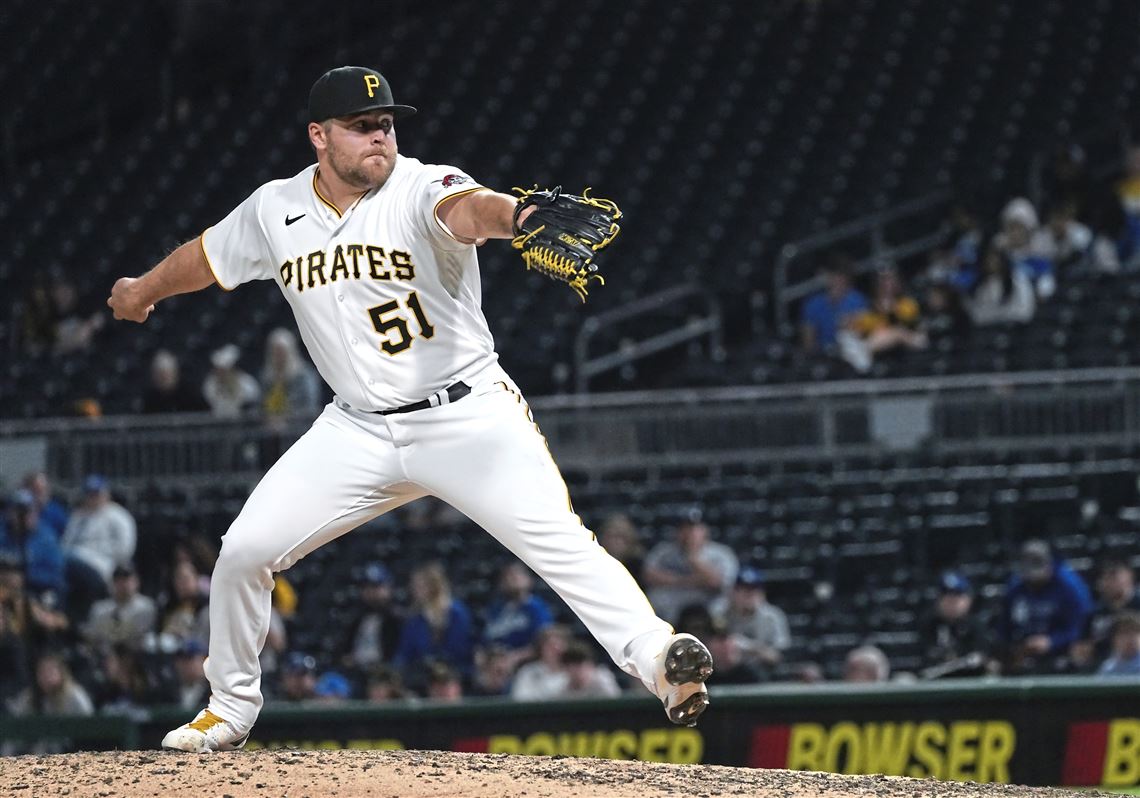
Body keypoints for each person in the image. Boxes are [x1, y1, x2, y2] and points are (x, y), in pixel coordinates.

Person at [108, 66, 712, 752]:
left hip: (467, 415)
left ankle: (662, 662)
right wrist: (141, 290)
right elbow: (209, 257)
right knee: (244, 550)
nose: (380, 137)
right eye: (363, 126)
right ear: (319, 136)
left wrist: (517, 218)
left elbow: (470, 209)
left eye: (387, 124)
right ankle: (229, 708)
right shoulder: (274, 210)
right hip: (356, 427)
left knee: (559, 541)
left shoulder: (420, 184)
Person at [998, 540, 1093, 675]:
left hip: (1062, 652)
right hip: (1024, 653)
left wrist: (1052, 642)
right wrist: (1015, 649)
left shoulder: (1069, 586)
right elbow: (1004, 628)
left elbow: (1079, 628)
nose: (1034, 579)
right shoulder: (1016, 587)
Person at [643, 508, 739, 627]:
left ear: (705, 531)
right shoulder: (663, 551)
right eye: (684, 528)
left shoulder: (722, 553)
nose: (689, 533)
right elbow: (648, 576)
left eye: (695, 528)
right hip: (670, 611)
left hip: (708, 609)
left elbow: (716, 583)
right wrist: (691, 580)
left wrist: (692, 557)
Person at [392, 561, 475, 686]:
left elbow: (460, 648)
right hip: (420, 673)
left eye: (419, 585)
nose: (414, 589)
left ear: (433, 586)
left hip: (452, 671)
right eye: (414, 585)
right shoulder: (415, 618)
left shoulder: (456, 613)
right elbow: (404, 653)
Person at [60, 475, 137, 591]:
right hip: (74, 563)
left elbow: (126, 549)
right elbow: (65, 544)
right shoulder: (78, 516)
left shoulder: (119, 516)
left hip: (104, 566)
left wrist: (93, 551)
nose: (93, 497)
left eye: (96, 493)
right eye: (89, 493)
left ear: (106, 493)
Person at [713, 567, 790, 671]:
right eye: (743, 590)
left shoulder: (772, 617)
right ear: (733, 592)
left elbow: (778, 657)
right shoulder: (721, 614)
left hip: (763, 672)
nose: (749, 595)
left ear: (762, 593)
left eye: (754, 590)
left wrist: (749, 647)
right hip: (728, 671)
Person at [917, 572, 992, 678]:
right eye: (947, 596)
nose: (951, 602)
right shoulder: (929, 625)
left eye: (957, 596)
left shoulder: (976, 626)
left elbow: (981, 659)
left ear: (968, 600)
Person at [482, 562, 553, 671]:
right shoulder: (496, 609)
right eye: (507, 576)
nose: (511, 579)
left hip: (526, 665)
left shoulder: (536, 608)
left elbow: (543, 645)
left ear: (528, 580)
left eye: (516, 575)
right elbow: (486, 641)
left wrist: (515, 657)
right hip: (496, 663)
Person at [1072, 559, 1140, 671]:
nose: (1109, 582)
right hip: (1102, 666)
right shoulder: (1095, 612)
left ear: (1129, 577)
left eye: (1115, 576)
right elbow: (1080, 644)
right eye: (1105, 577)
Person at [0, 490, 67, 600]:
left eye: (26, 511)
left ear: (35, 512)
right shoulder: (3, 533)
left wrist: (25, 578)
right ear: (9, 512)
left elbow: (56, 577)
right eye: (17, 510)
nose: (21, 516)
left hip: (35, 593)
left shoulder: (46, 539)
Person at [340, 561, 402, 675]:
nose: (371, 592)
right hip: (356, 672)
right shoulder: (356, 617)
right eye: (366, 587)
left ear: (388, 588)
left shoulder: (397, 619)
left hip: (385, 673)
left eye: (375, 587)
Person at [799, 255, 869, 354]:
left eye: (840, 276)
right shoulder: (812, 304)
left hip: (851, 351)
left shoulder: (857, 300)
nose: (836, 280)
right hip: (824, 355)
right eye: (832, 275)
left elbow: (864, 332)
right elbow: (808, 342)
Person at [84, 564, 158, 653]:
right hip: (105, 657)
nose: (123, 584)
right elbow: (92, 639)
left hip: (136, 657)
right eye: (119, 580)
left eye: (127, 579)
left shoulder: (147, 607)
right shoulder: (100, 609)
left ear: (136, 582)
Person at [260, 327, 322, 421]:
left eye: (281, 351)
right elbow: (262, 403)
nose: (278, 355)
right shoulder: (267, 377)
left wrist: (286, 418)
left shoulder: (304, 375)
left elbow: (310, 405)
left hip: (299, 425)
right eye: (275, 351)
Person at [966, 247, 1036, 326]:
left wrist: (1001, 316)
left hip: (1015, 327)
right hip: (987, 329)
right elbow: (977, 315)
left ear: (1002, 262)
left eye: (995, 261)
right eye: (988, 261)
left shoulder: (1018, 280)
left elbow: (1025, 310)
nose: (991, 264)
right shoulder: (980, 285)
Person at [511, 624, 571, 701]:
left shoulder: (574, 672)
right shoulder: (527, 672)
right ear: (541, 648)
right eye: (551, 645)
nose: (556, 649)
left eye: (559, 645)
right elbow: (520, 699)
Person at [202, 344, 261, 418]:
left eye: (224, 371)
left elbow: (252, 397)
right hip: (218, 420)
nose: (221, 374)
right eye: (218, 370)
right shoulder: (211, 382)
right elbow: (210, 398)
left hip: (241, 421)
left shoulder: (245, 381)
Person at [142, 349, 209, 413]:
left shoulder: (190, 394)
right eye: (159, 374)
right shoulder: (150, 399)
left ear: (175, 373)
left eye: (166, 374)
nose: (163, 378)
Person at [552, 640, 622, 699]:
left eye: (579, 665)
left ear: (591, 666)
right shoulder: (562, 689)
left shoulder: (602, 681)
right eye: (571, 666)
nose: (576, 670)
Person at [21, 471, 70, 539]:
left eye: (43, 489)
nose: (39, 494)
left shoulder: (57, 512)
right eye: (35, 490)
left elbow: (65, 536)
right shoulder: (19, 511)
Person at [1097, 612, 1140, 676]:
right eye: (1124, 633)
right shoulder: (1107, 669)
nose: (1130, 638)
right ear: (1114, 639)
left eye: (1135, 632)